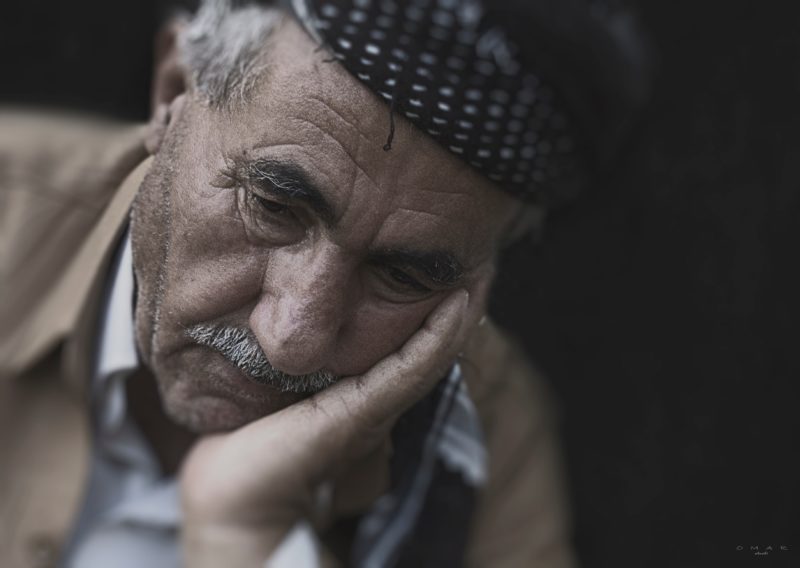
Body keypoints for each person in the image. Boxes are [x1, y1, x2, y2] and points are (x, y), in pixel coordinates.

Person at [0, 0, 649, 566]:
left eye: (401, 274)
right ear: (173, 91)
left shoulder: (483, 440)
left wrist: (247, 537)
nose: (292, 339)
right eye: (275, 208)